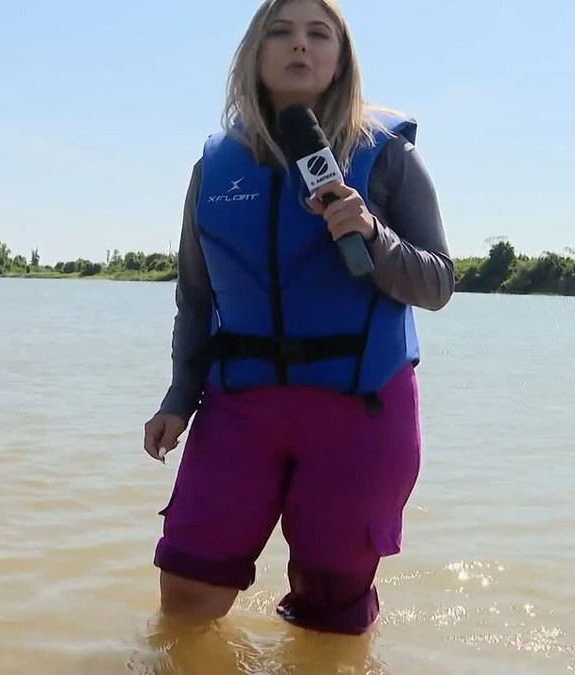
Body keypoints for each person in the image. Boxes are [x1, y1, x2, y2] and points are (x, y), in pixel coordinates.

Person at [142, 0, 455, 637]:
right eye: (280, 32)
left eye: (319, 34)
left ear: (341, 59)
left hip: (359, 408)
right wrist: (180, 396)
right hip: (239, 408)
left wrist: (371, 232)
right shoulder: (214, 166)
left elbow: (438, 284)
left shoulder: (388, 157)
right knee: (185, 597)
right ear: (255, 53)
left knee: (329, 613)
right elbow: (196, 298)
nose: (300, 46)